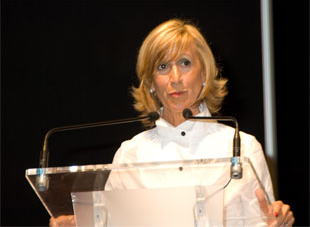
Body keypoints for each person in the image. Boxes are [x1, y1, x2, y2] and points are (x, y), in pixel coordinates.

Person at [50, 19, 294, 227]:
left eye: (185, 63)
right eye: (163, 67)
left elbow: (264, 221)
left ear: (205, 74)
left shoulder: (242, 148)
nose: (175, 78)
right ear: (151, 84)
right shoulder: (130, 155)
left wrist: (277, 223)